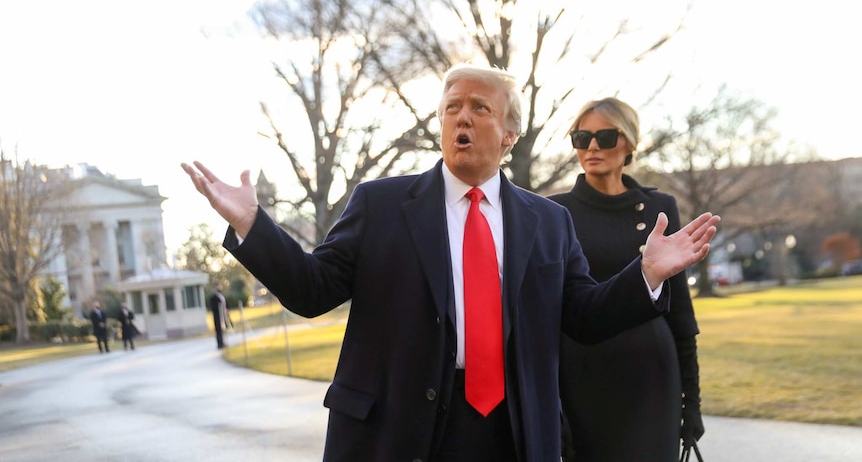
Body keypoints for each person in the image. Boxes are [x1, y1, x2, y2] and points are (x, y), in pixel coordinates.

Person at [181, 63, 719, 461]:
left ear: (509, 135)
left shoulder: (547, 221)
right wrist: (254, 225)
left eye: (480, 108)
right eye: (452, 107)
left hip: (513, 431)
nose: (462, 117)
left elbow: (583, 315)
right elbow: (311, 290)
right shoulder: (382, 204)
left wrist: (645, 274)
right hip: (400, 429)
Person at [548, 97, 705, 461]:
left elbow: (679, 310)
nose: (591, 147)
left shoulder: (659, 208)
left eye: (604, 136)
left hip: (652, 379)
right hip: (582, 379)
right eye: (581, 137)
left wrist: (691, 400)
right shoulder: (554, 212)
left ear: (629, 143)